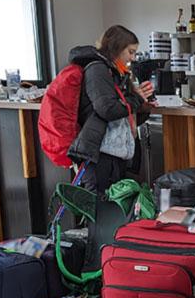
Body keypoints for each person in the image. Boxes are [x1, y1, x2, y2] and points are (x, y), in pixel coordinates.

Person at [67, 25, 156, 195]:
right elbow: (107, 110)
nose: (133, 58)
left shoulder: (119, 73)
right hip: (98, 154)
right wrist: (136, 97)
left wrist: (143, 106)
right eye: (130, 52)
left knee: (115, 206)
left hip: (115, 154)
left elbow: (124, 114)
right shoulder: (97, 69)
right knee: (99, 208)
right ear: (117, 47)